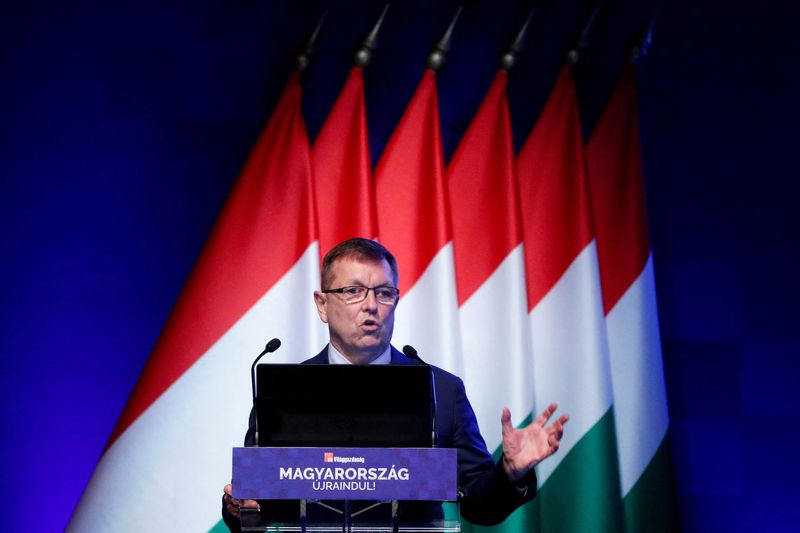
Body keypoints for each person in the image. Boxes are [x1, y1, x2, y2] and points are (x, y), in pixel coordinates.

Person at [222, 238, 568, 530]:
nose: (371, 305)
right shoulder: (285, 390)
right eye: (353, 291)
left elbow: (479, 505)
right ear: (323, 304)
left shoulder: (442, 390)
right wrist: (239, 507)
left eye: (384, 293)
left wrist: (510, 473)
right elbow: (256, 501)